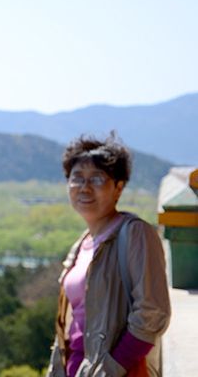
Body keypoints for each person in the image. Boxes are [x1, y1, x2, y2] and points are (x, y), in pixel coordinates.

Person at [46, 133, 171, 377]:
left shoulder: (135, 234)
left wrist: (110, 368)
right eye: (76, 178)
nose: (84, 187)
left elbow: (152, 313)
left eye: (97, 178)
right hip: (77, 367)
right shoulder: (81, 244)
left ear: (118, 188)